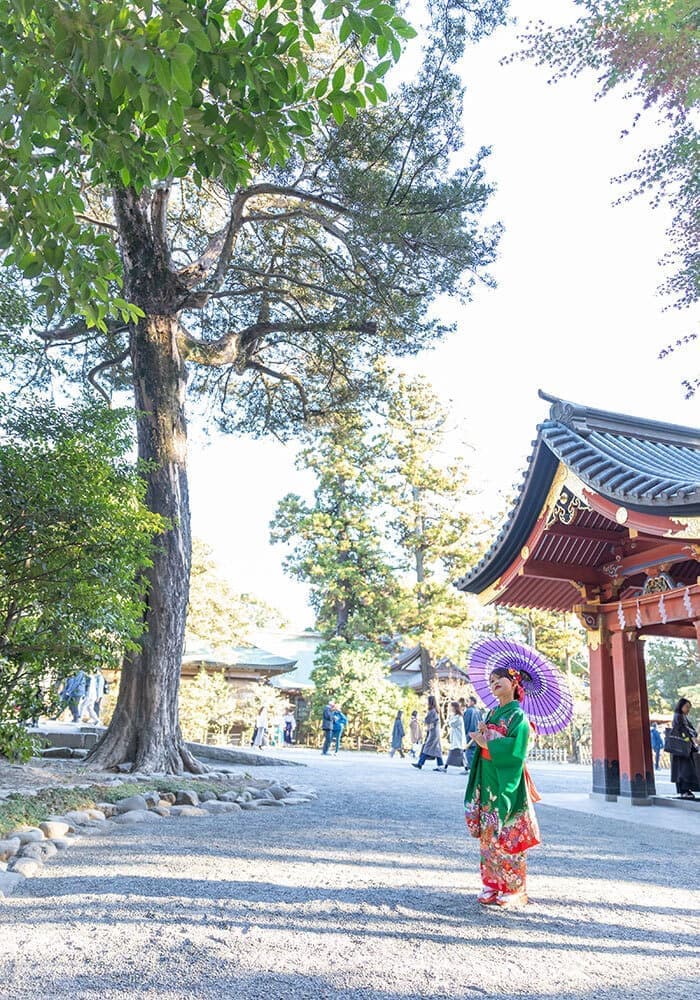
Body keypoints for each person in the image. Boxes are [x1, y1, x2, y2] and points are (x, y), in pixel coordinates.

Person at [464, 666, 541, 908]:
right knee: (489, 832)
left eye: (499, 679)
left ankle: (514, 888)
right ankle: (491, 883)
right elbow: (486, 743)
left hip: (507, 779)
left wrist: (488, 742)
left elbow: (517, 751)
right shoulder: (492, 713)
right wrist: (483, 736)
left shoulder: (518, 716)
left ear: (514, 682)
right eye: (491, 680)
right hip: (488, 778)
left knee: (507, 830)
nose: (493, 682)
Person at [669, 698, 700, 799]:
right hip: (682, 749)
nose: (688, 709)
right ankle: (684, 790)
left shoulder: (681, 716)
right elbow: (684, 730)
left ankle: (684, 791)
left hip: (682, 748)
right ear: (681, 706)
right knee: (685, 770)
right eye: (686, 707)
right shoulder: (679, 716)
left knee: (682, 770)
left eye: (689, 707)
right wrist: (693, 737)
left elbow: (689, 730)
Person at [411, 695, 443, 770]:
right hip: (435, 731)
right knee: (437, 749)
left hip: (433, 732)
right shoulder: (435, 710)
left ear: (430, 702)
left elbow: (427, 720)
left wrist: (419, 719)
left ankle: (420, 763)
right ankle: (440, 765)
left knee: (427, 746)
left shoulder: (432, 711)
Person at [437, 702, 467, 772]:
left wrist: (450, 720)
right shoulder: (455, 716)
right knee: (457, 754)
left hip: (458, 739)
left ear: (455, 707)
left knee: (458, 754)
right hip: (455, 739)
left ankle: (465, 768)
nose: (450, 708)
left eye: (451, 707)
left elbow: (452, 724)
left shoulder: (459, 717)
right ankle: (446, 767)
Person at [462, 696, 482, 772]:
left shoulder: (469, 711)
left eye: (468, 701)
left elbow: (465, 723)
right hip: (477, 733)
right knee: (474, 751)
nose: (467, 703)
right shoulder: (478, 711)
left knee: (469, 751)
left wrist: (465, 733)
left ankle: (471, 768)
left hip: (470, 733)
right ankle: (475, 767)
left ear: (473, 702)